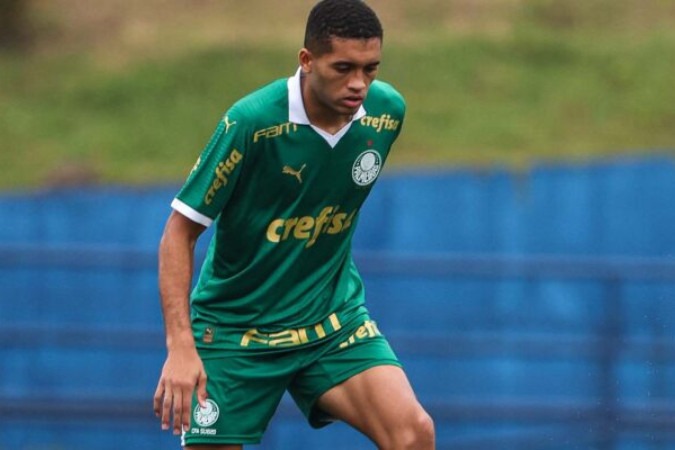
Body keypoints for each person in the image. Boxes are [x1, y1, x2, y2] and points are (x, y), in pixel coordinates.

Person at [152, 0, 435, 448]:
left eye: (370, 68)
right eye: (343, 67)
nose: (358, 83)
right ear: (306, 61)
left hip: (330, 321)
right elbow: (178, 231)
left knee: (414, 434)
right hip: (234, 332)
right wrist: (180, 345)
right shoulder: (251, 123)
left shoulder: (386, 115)